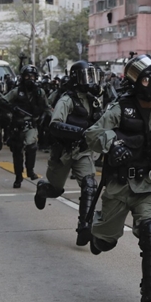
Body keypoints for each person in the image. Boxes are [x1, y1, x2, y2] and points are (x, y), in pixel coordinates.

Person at [84, 54, 151, 302]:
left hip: (149, 185)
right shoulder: (120, 107)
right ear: (136, 83)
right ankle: (99, 235)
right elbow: (93, 134)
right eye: (149, 79)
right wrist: (113, 144)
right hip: (120, 186)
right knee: (105, 241)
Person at [33, 60, 103, 247]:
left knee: (89, 185)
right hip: (64, 152)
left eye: (92, 76)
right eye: (86, 76)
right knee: (55, 190)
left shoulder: (93, 100)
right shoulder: (67, 99)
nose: (90, 81)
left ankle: (84, 226)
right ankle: (41, 190)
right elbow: (55, 125)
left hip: (83, 152)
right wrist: (80, 132)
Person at [0, 65, 49, 188]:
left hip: (31, 125)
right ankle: (18, 176)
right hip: (17, 125)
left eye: (32, 76)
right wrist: (12, 110)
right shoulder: (17, 91)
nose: (30, 79)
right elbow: (2, 101)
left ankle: (30, 170)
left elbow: (47, 107)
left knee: (31, 146)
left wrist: (55, 120)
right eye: (27, 76)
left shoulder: (40, 92)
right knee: (17, 152)